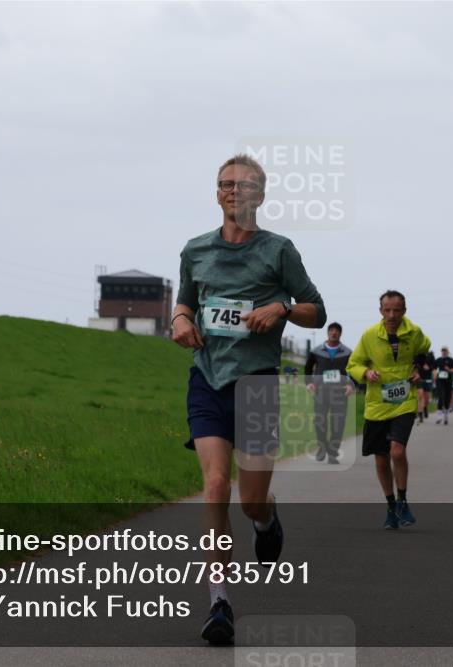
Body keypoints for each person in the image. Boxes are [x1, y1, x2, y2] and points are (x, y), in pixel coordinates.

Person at [171, 154, 326, 645]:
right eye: (225, 184)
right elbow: (185, 301)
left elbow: (317, 311)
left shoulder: (278, 250)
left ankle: (266, 517)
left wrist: (281, 307)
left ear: (260, 195)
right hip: (208, 380)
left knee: (250, 500)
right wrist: (179, 320)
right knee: (216, 484)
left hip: (257, 384)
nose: (232, 192)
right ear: (216, 193)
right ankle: (219, 602)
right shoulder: (196, 250)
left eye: (242, 185)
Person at [346, 291, 430, 530]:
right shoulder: (370, 335)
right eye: (387, 310)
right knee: (381, 458)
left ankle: (403, 500)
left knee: (397, 451)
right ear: (380, 311)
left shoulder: (414, 333)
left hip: (405, 401)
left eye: (397, 310)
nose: (392, 315)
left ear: (404, 311)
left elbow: (425, 351)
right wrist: (366, 373)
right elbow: (353, 364)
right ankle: (391, 506)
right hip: (377, 404)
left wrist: (419, 370)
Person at [304, 323, 354, 464]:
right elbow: (308, 368)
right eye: (331, 330)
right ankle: (322, 448)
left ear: (340, 334)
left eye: (336, 331)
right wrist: (309, 382)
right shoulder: (316, 351)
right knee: (320, 421)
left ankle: (332, 453)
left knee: (338, 423)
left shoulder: (348, 352)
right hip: (321, 392)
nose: (333, 333)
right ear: (327, 332)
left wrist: (351, 385)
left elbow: (353, 370)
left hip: (340, 393)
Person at [433, 347, 453, 425]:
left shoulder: (451, 360)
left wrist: (449, 370)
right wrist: (435, 374)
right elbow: (434, 368)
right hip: (440, 381)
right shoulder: (438, 360)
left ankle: (446, 415)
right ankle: (439, 416)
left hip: (448, 381)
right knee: (440, 396)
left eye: (445, 351)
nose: (443, 352)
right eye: (442, 351)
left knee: (447, 398)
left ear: (447, 352)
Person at [415, 349, 436, 424]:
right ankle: (420, 415)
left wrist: (434, 377)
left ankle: (425, 407)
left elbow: (434, 368)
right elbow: (414, 366)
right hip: (419, 379)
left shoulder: (431, 356)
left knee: (426, 399)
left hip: (428, 380)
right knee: (420, 396)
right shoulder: (418, 355)